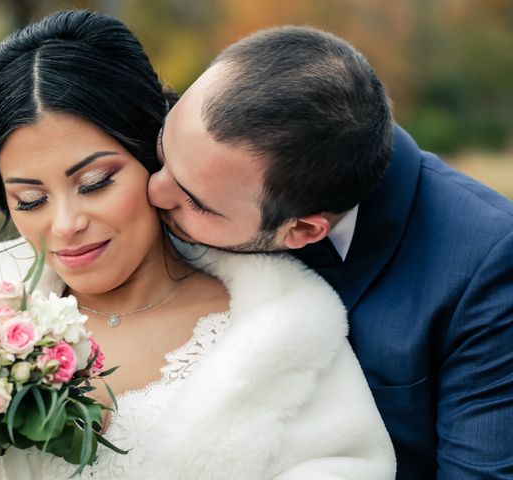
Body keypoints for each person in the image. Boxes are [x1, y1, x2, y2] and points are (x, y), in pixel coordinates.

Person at [0, 10, 394, 480]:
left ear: (156, 150)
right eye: (30, 200)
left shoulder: (282, 331)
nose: (66, 224)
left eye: (96, 182)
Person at [148, 25, 513, 480]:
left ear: (301, 230)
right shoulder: (191, 170)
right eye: (164, 146)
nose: (153, 191)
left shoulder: (485, 263)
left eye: (194, 201)